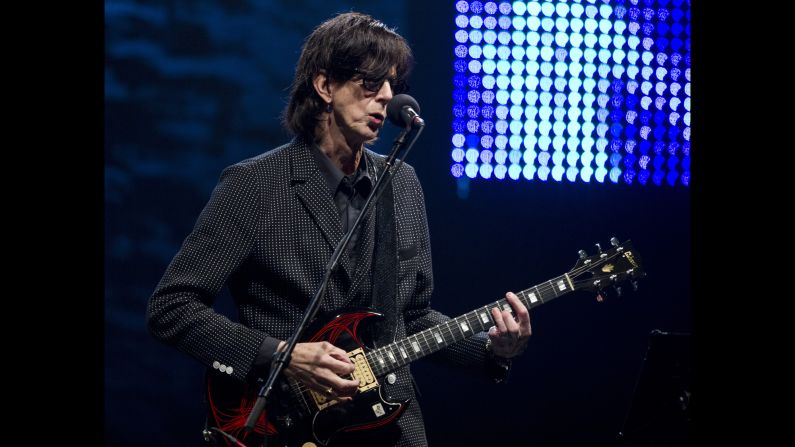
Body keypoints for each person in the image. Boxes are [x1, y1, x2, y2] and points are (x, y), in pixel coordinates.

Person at [146, 11, 531, 447]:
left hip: (391, 428)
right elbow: (171, 308)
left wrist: (489, 350)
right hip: (284, 425)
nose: (387, 97)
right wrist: (281, 357)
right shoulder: (255, 184)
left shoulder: (402, 184)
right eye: (371, 83)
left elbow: (413, 316)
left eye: (393, 85)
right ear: (325, 86)